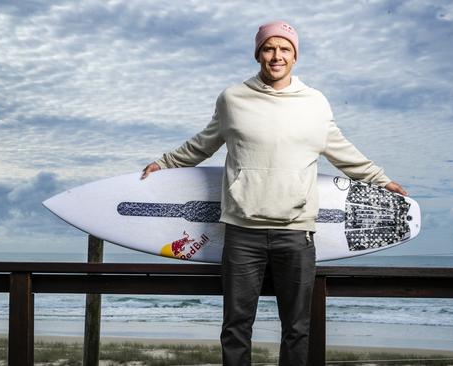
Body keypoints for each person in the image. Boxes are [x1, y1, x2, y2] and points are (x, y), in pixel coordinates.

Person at [141, 20, 407, 366]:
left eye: (285, 49)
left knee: (297, 327)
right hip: (241, 231)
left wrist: (381, 180)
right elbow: (202, 144)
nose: (276, 55)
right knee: (236, 326)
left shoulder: (315, 103)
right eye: (269, 48)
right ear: (258, 54)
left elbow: (343, 151)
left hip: (296, 233)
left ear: (295, 57)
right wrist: (164, 163)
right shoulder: (233, 99)